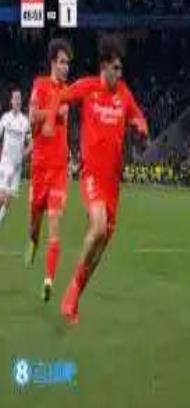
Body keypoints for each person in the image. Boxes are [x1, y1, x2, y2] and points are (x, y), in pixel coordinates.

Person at [47, 35, 149, 324]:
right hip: (91, 174)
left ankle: (74, 298)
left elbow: (138, 116)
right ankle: (70, 293)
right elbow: (59, 97)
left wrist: (140, 127)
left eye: (121, 68)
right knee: (99, 226)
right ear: (104, 67)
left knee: (101, 246)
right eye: (116, 68)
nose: (120, 73)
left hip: (113, 181)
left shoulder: (124, 94)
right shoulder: (88, 87)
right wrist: (51, 124)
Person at [27, 39, 73, 303]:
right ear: (53, 62)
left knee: (55, 224)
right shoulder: (40, 85)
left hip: (58, 170)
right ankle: (32, 242)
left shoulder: (68, 91)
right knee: (35, 225)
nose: (66, 67)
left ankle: (48, 281)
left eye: (68, 63)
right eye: (62, 62)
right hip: (39, 167)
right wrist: (54, 112)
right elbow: (33, 117)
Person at [0, 87, 32, 225]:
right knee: (2, 195)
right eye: (15, 98)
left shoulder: (25, 121)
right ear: (11, 101)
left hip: (17, 165)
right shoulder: (5, 118)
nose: (17, 101)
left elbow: (31, 143)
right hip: (5, 162)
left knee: (9, 196)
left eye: (19, 98)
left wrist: (24, 155)